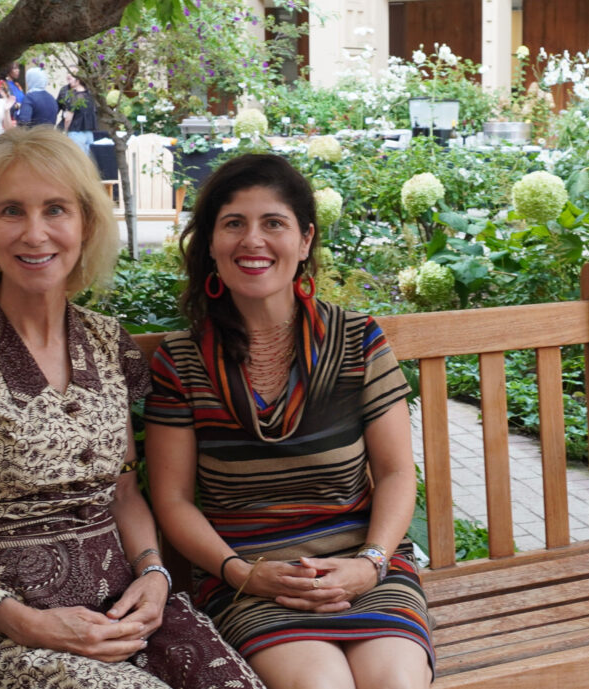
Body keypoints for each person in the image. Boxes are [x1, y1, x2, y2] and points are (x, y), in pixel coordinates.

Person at [0, 127, 265, 689]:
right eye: (11, 211)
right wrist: (26, 622)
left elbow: (124, 492)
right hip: (15, 631)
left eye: (55, 209)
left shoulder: (109, 343)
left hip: (126, 610)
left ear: (86, 224)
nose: (34, 233)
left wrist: (154, 574)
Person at [144, 153, 435, 689]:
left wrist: (370, 563)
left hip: (363, 568)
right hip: (250, 578)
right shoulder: (181, 361)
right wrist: (242, 573)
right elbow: (174, 500)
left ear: (304, 241)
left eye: (273, 223)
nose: (252, 240)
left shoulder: (357, 340)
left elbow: (396, 472)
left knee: (395, 683)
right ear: (211, 244)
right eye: (234, 223)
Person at [57, 73, 97, 156]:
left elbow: (68, 118)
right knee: (87, 160)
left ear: (78, 81)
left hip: (76, 132)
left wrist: (66, 130)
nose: (69, 82)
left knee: (76, 159)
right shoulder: (90, 95)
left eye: (71, 79)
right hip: (89, 133)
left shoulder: (74, 97)